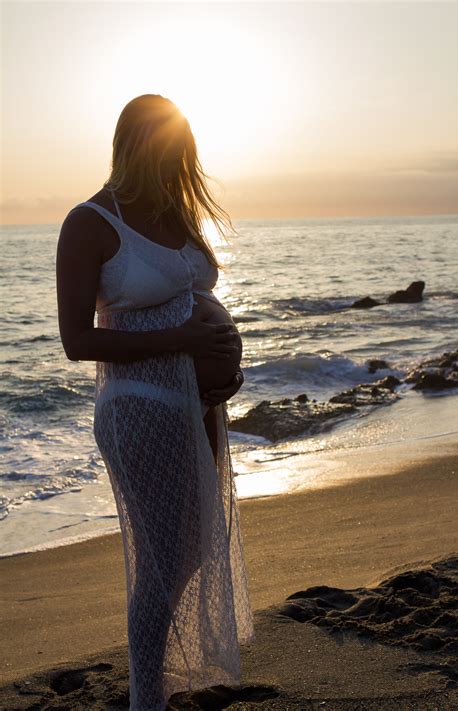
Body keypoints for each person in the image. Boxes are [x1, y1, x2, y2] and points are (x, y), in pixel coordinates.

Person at [55, 94, 255, 710]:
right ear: (137, 145)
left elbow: (199, 303)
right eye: (170, 149)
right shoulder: (90, 222)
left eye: (185, 151)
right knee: (164, 559)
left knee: (192, 548)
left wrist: (224, 366)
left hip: (199, 403)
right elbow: (77, 339)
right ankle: (146, 697)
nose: (180, 162)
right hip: (139, 406)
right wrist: (186, 339)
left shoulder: (178, 215)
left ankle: (154, 683)